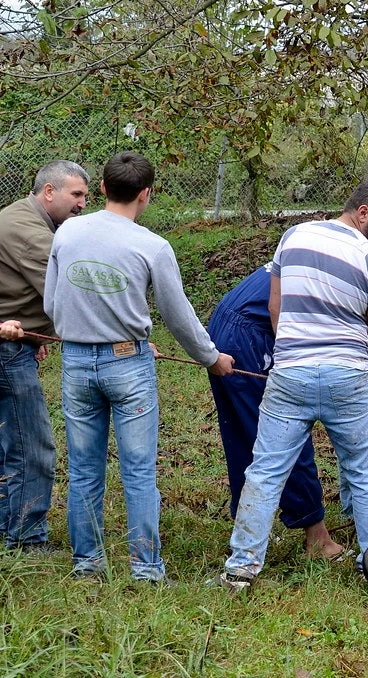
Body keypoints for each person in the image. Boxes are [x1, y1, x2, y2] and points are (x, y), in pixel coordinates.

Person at [215, 180, 368, 592]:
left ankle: (240, 569)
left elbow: (276, 308)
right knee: (366, 475)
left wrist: (295, 354)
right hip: (348, 379)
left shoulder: (293, 236)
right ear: (363, 211)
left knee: (264, 472)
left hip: (289, 375)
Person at [43, 152, 235, 581]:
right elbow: (177, 314)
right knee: (138, 470)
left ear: (105, 189)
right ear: (145, 194)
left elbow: (51, 303)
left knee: (84, 468)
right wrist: (211, 357)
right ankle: (146, 569)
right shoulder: (152, 246)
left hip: (74, 362)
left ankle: (87, 563)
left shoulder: (69, 231)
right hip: (128, 364)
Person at [0, 160, 89, 551]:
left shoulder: (30, 220)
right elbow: (70, 292)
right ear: (48, 192)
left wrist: (38, 338)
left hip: (17, 342)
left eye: (86, 196)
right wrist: (127, 336)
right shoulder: (27, 231)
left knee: (13, 443)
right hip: (6, 349)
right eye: (77, 195)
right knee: (30, 445)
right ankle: (25, 538)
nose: (83, 204)